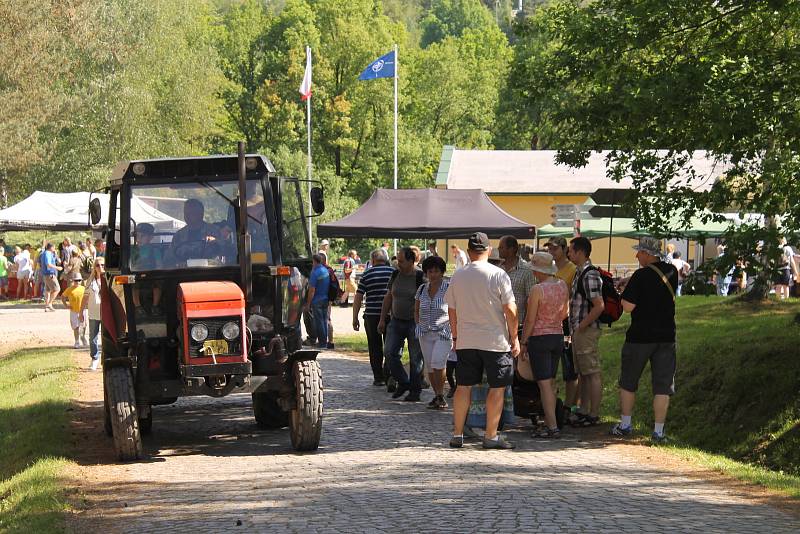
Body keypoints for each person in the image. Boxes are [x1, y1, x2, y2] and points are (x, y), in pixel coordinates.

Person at [446, 232, 520, 450]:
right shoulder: (499, 274)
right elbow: (510, 308)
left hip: (467, 340)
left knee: (463, 387)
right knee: (497, 388)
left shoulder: (458, 275)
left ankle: (457, 433)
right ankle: (491, 435)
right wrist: (514, 337)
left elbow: (452, 309)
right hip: (495, 340)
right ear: (489, 251)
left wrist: (456, 336)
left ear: (468, 252)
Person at [610, 237, 678, 444]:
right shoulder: (672, 272)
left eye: (639, 252)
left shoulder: (640, 275)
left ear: (648, 254)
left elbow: (628, 306)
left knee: (629, 381)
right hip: (666, 336)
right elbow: (654, 284)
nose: (636, 255)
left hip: (640, 336)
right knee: (662, 385)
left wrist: (622, 292)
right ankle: (658, 431)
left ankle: (625, 424)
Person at [520, 252, 569, 438]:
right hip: (557, 336)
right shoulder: (562, 285)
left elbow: (530, 320)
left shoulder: (537, 289)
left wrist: (523, 342)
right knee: (551, 381)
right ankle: (551, 422)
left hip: (540, 338)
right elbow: (565, 312)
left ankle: (552, 426)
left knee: (544, 384)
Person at [379, 246, 425, 402]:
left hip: (414, 323)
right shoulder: (395, 274)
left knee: (415, 358)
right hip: (396, 321)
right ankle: (404, 382)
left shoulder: (420, 277)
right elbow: (389, 297)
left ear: (411, 261)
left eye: (402, 261)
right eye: (397, 260)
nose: (398, 264)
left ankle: (415, 390)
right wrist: (382, 319)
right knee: (389, 353)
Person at [567, 236, 605, 427]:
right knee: (583, 372)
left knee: (592, 372)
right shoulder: (579, 272)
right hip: (578, 330)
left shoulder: (589, 274)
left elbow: (599, 305)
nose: (569, 253)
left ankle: (594, 413)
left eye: (571, 250)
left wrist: (582, 325)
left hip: (586, 330)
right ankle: (583, 410)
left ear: (580, 252)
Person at [545, 236, 580, 415]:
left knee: (569, 365)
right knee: (549, 367)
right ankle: (550, 404)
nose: (551, 252)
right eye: (549, 248)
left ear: (565, 249)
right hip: (547, 321)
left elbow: (575, 296)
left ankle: (569, 405)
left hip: (565, 321)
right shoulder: (548, 268)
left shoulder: (572, 270)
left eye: (555, 249)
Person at [415, 256, 452, 410]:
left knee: (438, 362)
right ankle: (437, 395)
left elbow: (455, 309)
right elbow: (416, 308)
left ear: (442, 272)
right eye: (430, 271)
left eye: (436, 271)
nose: (433, 274)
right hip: (425, 332)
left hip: (443, 332)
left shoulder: (449, 288)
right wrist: (418, 322)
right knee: (430, 365)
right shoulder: (422, 289)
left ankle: (441, 394)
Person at [353, 248, 394, 385]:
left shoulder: (367, 274)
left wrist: (355, 317)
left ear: (373, 260)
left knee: (374, 346)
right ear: (385, 259)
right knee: (390, 346)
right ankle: (389, 375)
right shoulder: (393, 272)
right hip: (390, 315)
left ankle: (378, 378)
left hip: (371, 316)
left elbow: (358, 297)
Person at [497, 235, 535, 335]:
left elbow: (530, 300)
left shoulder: (526, 270)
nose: (498, 249)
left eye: (501, 247)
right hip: (498, 325)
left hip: (518, 325)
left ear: (512, 249)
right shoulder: (497, 270)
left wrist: (527, 327)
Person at [167, 199, 222, 265]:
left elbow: (225, 252)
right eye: (186, 213)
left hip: (211, 271)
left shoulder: (214, 231)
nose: (187, 216)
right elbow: (169, 260)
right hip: (184, 273)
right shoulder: (179, 235)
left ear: (201, 214)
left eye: (192, 213)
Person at [80, 257, 104, 370]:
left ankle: (106, 358)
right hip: (93, 313)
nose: (100, 267)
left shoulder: (108, 279)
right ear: (94, 267)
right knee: (92, 338)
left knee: (107, 337)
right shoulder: (90, 281)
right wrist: (81, 312)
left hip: (105, 314)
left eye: (102, 265)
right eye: (98, 265)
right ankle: (95, 358)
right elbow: (85, 298)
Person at [305, 254, 331, 350]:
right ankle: (324, 341)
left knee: (319, 322)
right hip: (325, 299)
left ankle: (322, 343)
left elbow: (312, 290)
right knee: (324, 321)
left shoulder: (315, 273)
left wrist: (308, 304)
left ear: (314, 261)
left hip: (317, 300)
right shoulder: (325, 270)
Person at [62, 273, 88, 348]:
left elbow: (87, 297)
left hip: (82, 310)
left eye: (79, 280)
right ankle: (77, 341)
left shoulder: (83, 288)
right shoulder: (69, 289)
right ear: (73, 281)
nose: (77, 282)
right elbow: (63, 296)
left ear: (81, 281)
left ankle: (82, 337)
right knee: (75, 327)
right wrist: (66, 305)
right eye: (76, 280)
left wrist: (87, 304)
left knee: (83, 326)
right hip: (73, 311)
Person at [41, 243, 62, 311]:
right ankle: (50, 303)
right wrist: (57, 268)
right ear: (51, 247)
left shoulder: (44, 253)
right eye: (54, 247)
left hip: (45, 274)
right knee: (57, 289)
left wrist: (55, 255)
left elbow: (59, 261)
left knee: (48, 290)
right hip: (50, 274)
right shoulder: (47, 253)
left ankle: (47, 306)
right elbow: (48, 264)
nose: (54, 248)